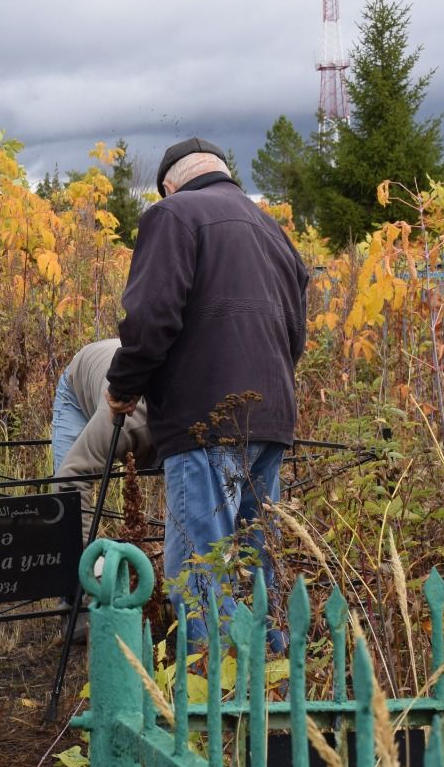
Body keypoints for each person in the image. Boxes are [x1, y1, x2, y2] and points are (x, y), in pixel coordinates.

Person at [104, 138, 308, 653]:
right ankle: (273, 682)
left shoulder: (172, 215)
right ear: (222, 171)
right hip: (271, 418)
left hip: (205, 422)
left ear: (169, 185)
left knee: (198, 568)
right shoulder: (273, 229)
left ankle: (208, 692)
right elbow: (295, 332)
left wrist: (124, 386)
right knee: (258, 560)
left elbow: (151, 317)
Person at [51, 339, 154, 545]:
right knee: (67, 501)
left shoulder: (209, 427)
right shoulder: (127, 418)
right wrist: (84, 564)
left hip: (118, 361)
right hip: (79, 388)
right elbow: (71, 478)